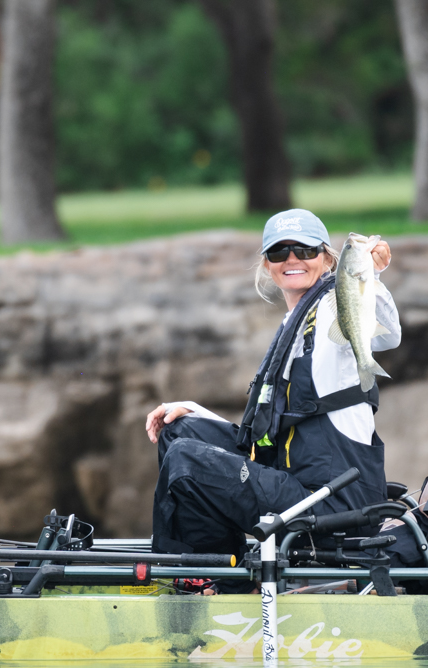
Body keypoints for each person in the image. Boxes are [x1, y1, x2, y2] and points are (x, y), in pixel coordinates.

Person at [145, 209, 400, 591]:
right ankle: (214, 571)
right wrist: (195, 411)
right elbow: (271, 430)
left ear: (327, 258)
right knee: (179, 431)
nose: (292, 259)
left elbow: (387, 335)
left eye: (305, 250)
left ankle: (218, 587)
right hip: (294, 481)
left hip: (336, 503)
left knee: (186, 461)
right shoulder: (291, 325)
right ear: (267, 264)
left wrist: (372, 276)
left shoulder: (333, 307)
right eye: (280, 252)